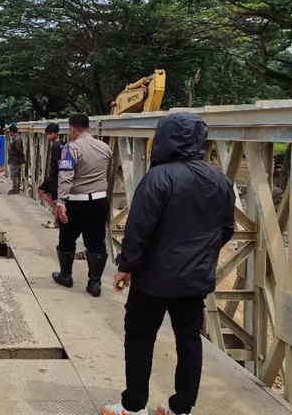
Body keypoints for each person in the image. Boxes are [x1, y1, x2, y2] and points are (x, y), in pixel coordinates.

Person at [100, 112, 236, 415]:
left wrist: (126, 266)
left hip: (153, 279)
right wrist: (199, 255)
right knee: (189, 340)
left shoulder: (158, 178)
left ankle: (133, 406)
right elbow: (226, 229)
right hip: (195, 279)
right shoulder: (220, 180)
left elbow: (139, 229)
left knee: (139, 338)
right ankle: (180, 408)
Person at [51, 113, 112, 297]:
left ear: (72, 129)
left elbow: (66, 176)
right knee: (96, 241)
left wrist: (60, 202)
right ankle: (95, 284)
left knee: (67, 239)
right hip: (99, 201)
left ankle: (66, 275)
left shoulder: (72, 148)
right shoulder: (105, 147)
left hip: (76, 202)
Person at [36, 122, 62, 226]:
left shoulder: (56, 146)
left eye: (50, 134)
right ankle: (56, 217)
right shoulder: (63, 144)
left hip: (55, 176)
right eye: (47, 134)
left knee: (42, 191)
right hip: (57, 176)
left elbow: (60, 163)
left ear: (56, 133)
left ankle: (56, 218)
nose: (48, 136)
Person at [7, 125, 25, 194]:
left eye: (9, 132)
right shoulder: (17, 138)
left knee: (14, 174)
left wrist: (22, 156)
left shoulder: (16, 139)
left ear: (11, 131)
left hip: (15, 159)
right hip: (17, 159)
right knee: (17, 174)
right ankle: (17, 188)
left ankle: (15, 189)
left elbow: (18, 149)